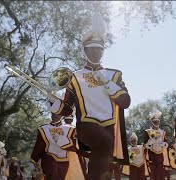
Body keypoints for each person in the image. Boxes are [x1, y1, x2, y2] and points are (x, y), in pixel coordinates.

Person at [48, 12, 130, 180]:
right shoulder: (74, 77)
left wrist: (107, 83)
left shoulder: (114, 75)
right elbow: (66, 109)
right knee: (104, 145)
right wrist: (52, 100)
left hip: (108, 127)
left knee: (104, 169)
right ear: (84, 50)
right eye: (91, 49)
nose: (96, 53)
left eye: (99, 49)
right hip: (87, 126)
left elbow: (126, 102)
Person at [29, 113, 82, 180]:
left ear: (63, 115)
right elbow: (39, 148)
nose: (55, 115)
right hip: (48, 160)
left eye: (58, 113)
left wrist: (61, 140)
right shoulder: (43, 129)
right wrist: (33, 161)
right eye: (54, 113)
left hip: (64, 162)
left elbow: (76, 147)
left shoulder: (70, 129)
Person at [144, 107, 168, 180]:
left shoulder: (163, 132)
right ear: (152, 122)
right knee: (153, 175)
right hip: (152, 155)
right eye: (154, 121)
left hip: (160, 156)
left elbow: (167, 144)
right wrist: (151, 141)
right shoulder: (147, 132)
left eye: (157, 121)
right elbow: (145, 145)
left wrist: (164, 144)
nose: (156, 123)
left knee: (160, 174)